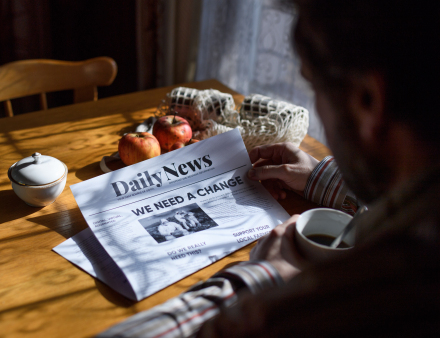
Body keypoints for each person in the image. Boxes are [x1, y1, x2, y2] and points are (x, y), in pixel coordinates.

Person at [98, 0, 440, 336]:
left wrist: (263, 275)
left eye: (314, 86)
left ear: (368, 101)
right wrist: (320, 177)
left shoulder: (360, 294)